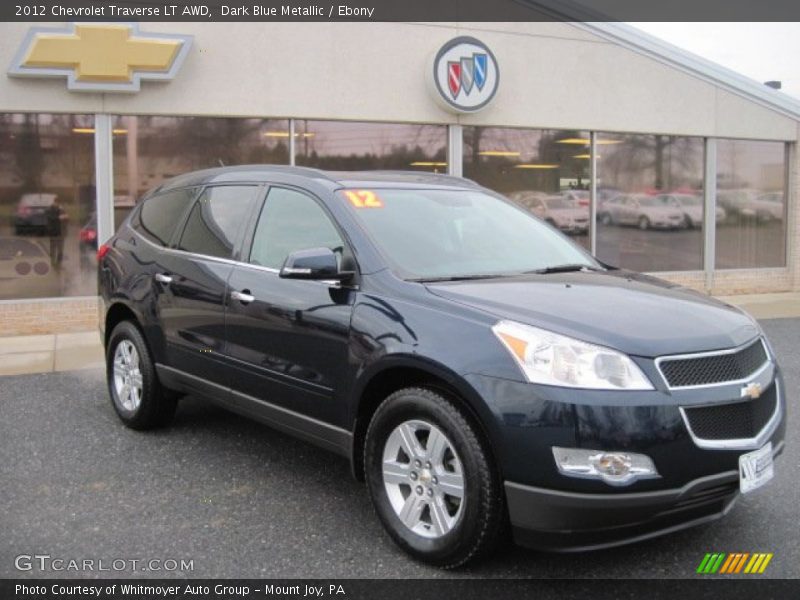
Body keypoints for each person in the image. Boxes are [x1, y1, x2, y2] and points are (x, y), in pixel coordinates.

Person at [45, 197, 68, 268]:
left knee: (60, 249)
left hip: (61, 232)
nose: (57, 204)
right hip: (53, 232)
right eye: (56, 202)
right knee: (53, 248)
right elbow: (51, 218)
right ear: (54, 202)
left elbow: (66, 220)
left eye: (58, 203)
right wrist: (59, 217)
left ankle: (59, 263)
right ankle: (52, 262)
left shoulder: (62, 210)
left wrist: (66, 218)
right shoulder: (49, 210)